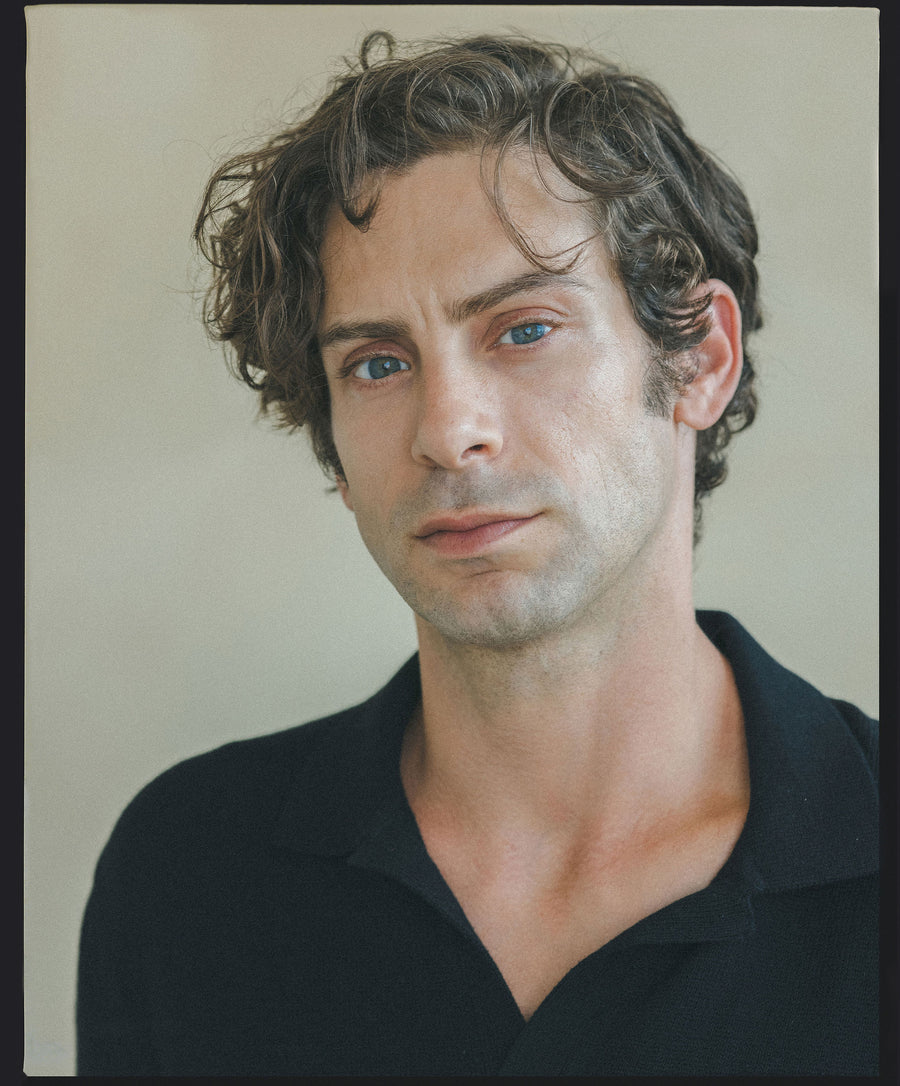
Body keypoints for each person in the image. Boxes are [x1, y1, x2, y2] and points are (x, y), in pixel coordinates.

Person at [76, 32, 878, 1076]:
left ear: (699, 359)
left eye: (524, 329)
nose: (449, 431)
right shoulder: (185, 872)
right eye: (377, 364)